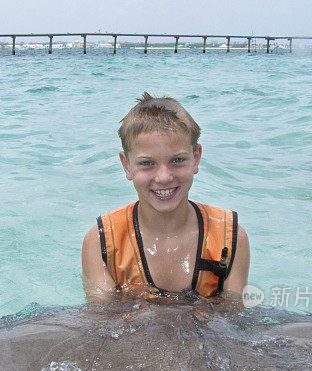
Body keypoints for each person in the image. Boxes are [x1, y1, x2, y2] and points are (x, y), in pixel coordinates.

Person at [82, 92, 249, 302]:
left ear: (196, 158)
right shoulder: (101, 242)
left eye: (177, 160)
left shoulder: (230, 238)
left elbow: (233, 318)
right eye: (147, 163)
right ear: (126, 165)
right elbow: (100, 322)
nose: (163, 177)